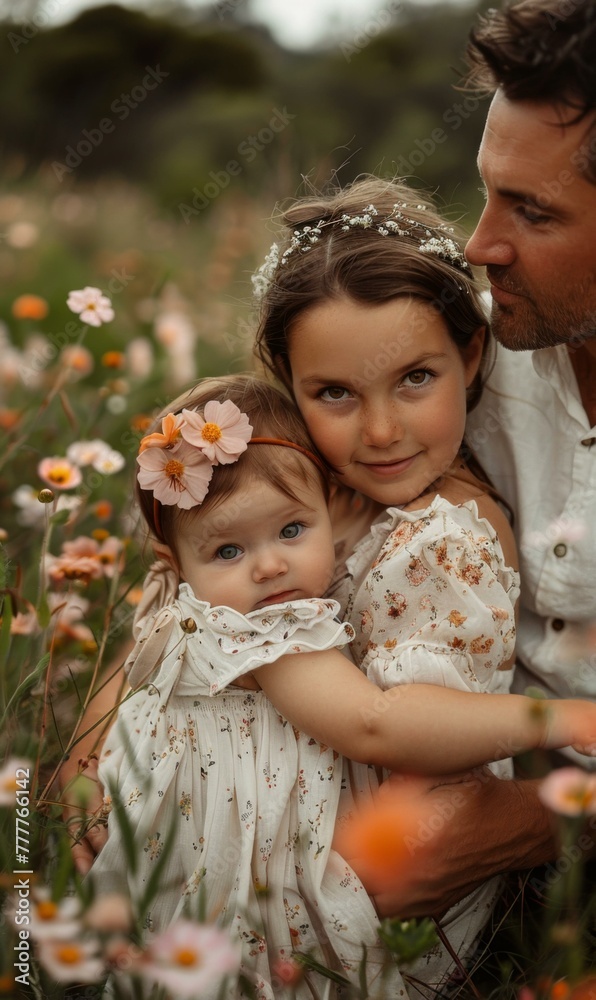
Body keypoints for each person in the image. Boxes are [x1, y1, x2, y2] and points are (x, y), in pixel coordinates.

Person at [89, 369, 596, 1000]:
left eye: (292, 531)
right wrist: (556, 720)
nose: (270, 565)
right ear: (175, 563)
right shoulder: (267, 636)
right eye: (227, 552)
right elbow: (377, 723)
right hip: (264, 878)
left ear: (334, 508)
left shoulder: (189, 613)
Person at [355, 0, 596, 926]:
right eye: (488, 190)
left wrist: (539, 825)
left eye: (532, 210)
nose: (478, 243)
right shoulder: (461, 359)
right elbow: (249, 487)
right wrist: (99, 731)